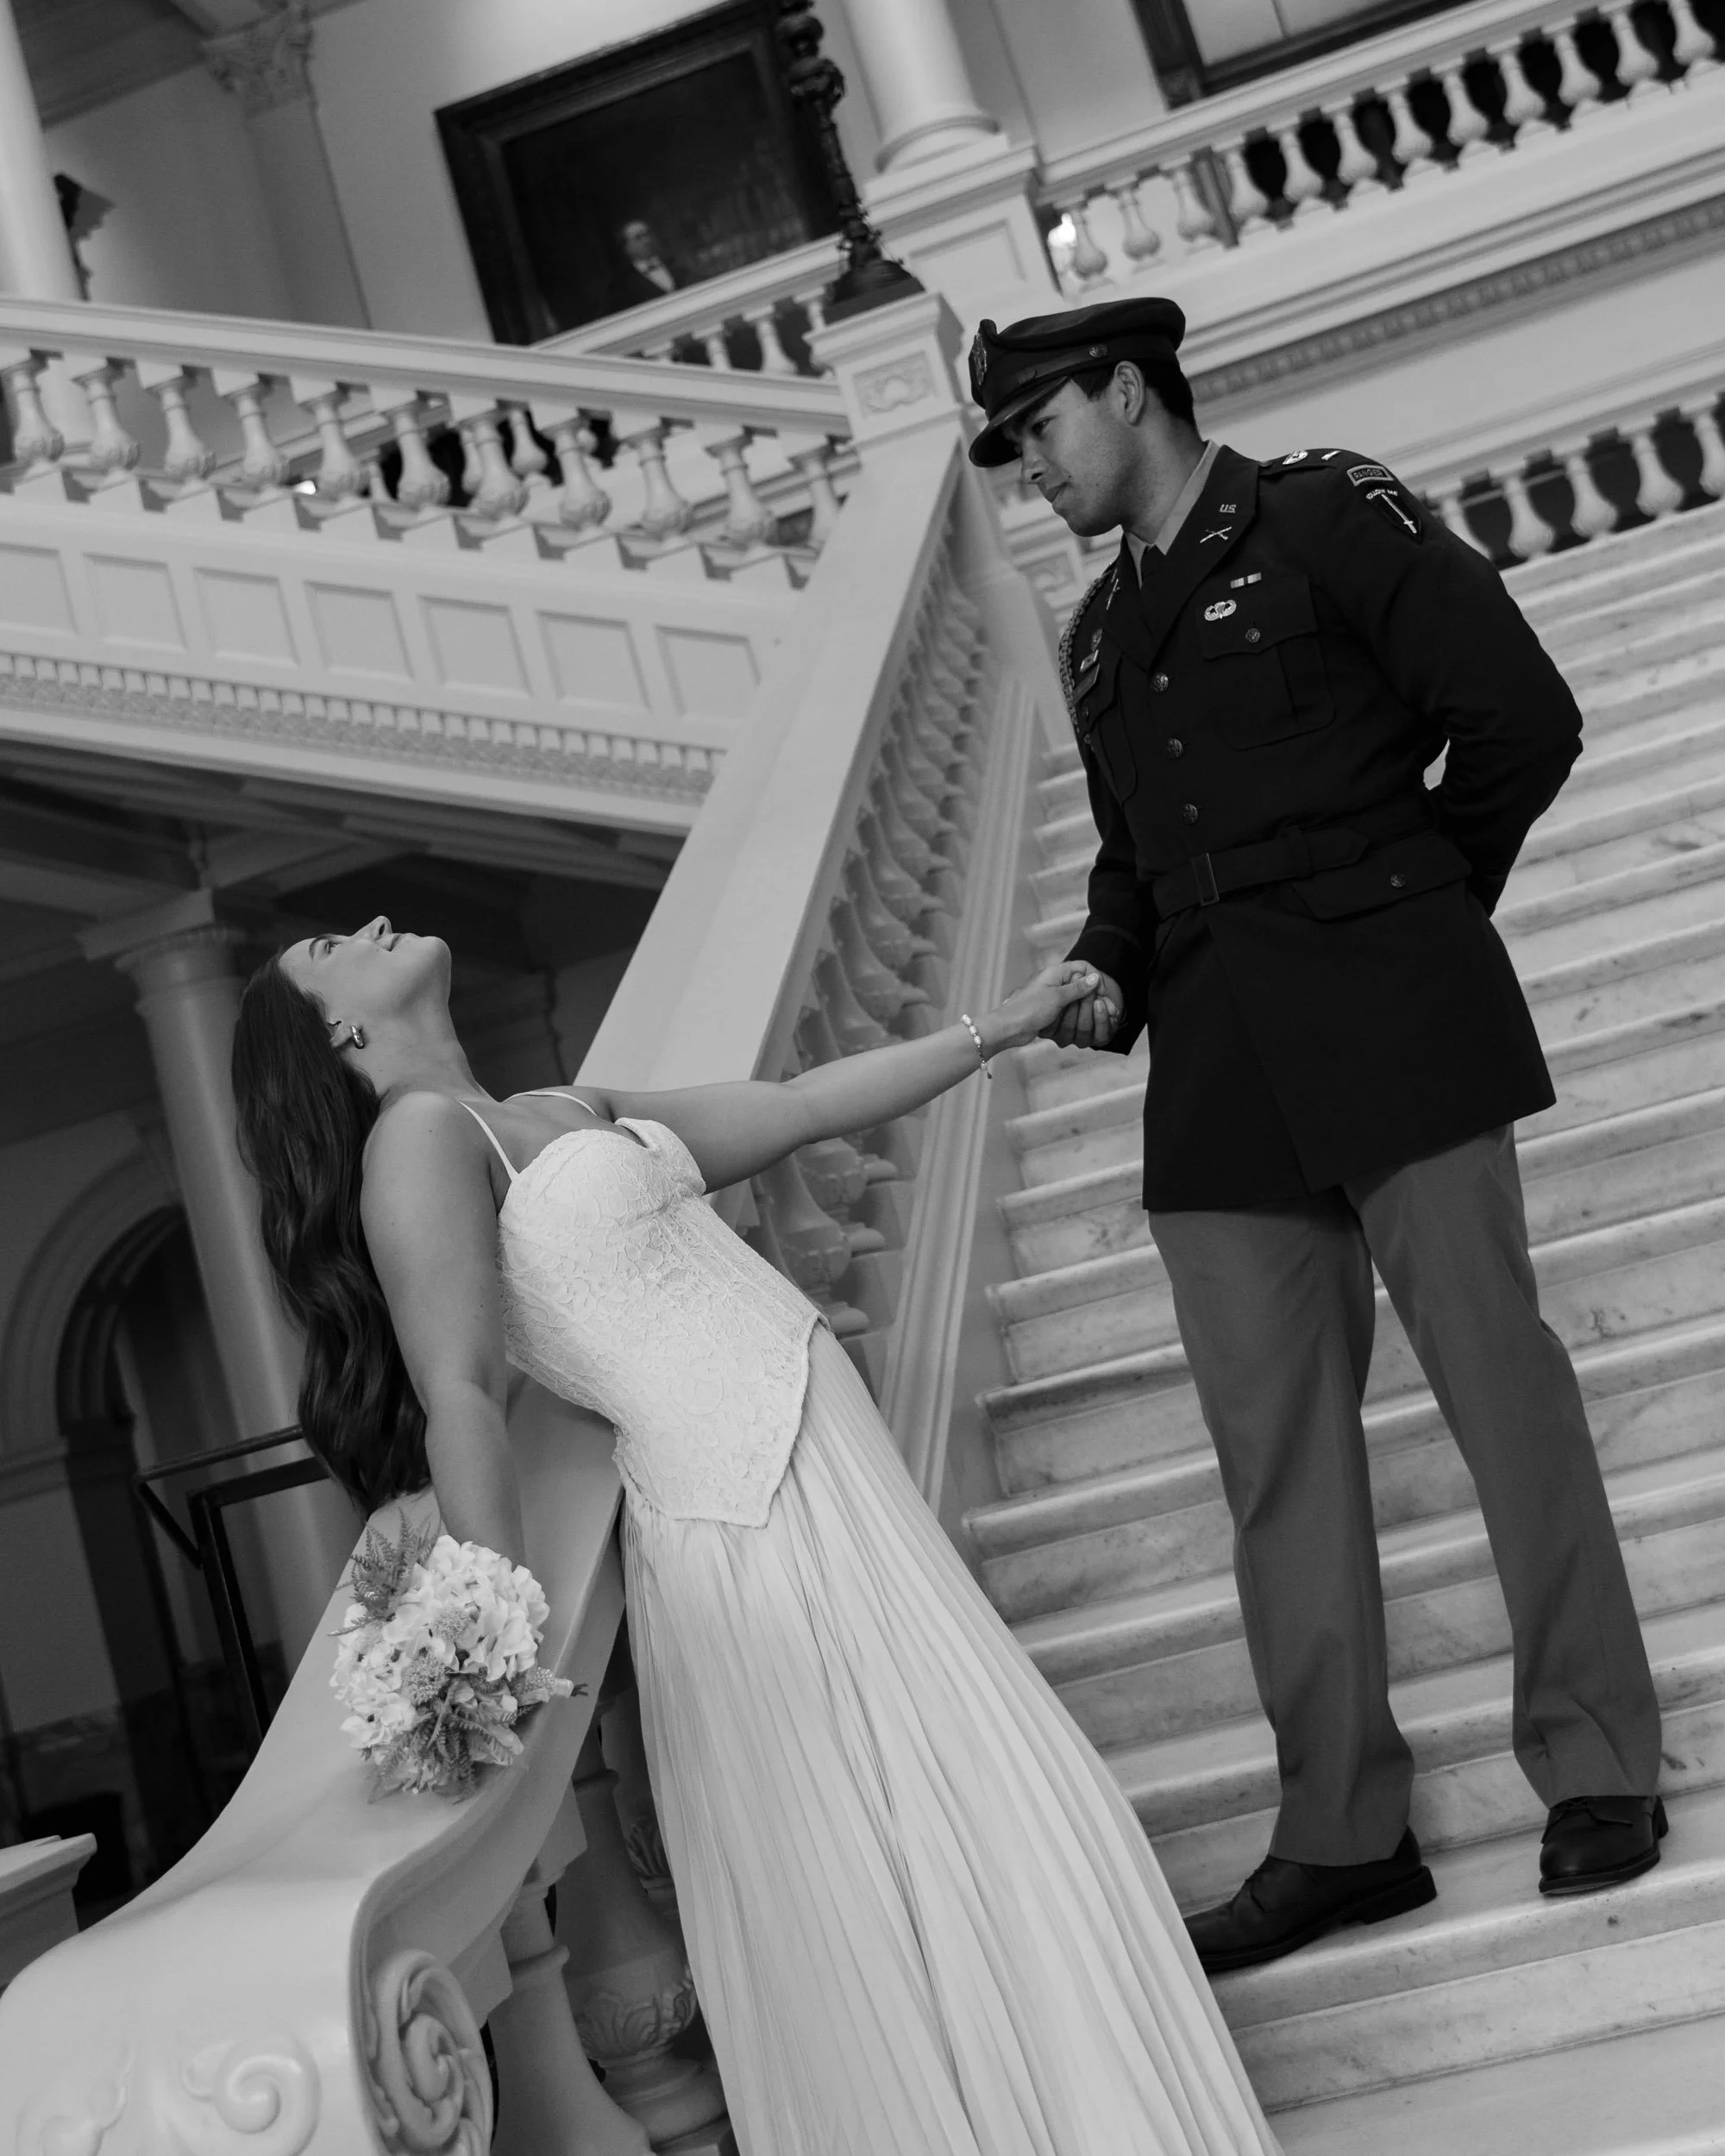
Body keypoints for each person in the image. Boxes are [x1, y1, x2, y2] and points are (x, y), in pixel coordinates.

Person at [231, 918, 1283, 2156]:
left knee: (979, 1792)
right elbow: (459, 1388)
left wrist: (1008, 1018)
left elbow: (794, 1107)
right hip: (741, 1528)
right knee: (884, 1856)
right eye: (327, 946)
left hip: (833, 1478)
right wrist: (494, 1627)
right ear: (339, 1032)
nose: (366, 924)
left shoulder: (560, 1100)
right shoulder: (418, 1141)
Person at [965, 298, 1665, 1976]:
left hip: (1392, 1015)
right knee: (1275, 1461)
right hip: (1215, 1076)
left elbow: (1518, 715)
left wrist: (1416, 908)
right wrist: (1105, 963)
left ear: (1127, 390)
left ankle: (1596, 1761)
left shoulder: (1323, 515)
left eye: (1040, 430)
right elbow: (1136, 858)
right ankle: (1344, 1830)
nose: (1028, 472)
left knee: (1501, 1391)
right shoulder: (1092, 639)